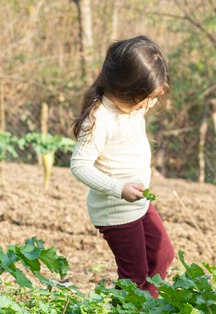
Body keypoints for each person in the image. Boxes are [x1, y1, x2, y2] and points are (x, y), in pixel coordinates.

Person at [71, 35, 175, 298]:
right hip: (115, 211)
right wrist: (118, 188)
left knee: (163, 255)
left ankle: (146, 312)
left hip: (138, 203)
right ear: (125, 90)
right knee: (134, 275)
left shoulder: (131, 106)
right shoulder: (100, 119)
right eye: (144, 98)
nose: (148, 105)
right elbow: (79, 165)